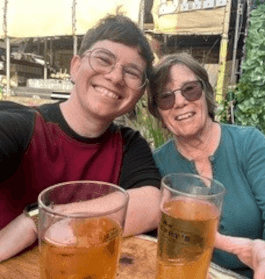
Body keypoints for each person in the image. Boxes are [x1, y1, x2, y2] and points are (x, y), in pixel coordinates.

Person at [0, 14, 162, 262]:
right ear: (75, 67)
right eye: (103, 59)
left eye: (131, 72)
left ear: (139, 93)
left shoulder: (128, 144)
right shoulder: (23, 128)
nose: (116, 77)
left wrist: (37, 220)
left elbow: (150, 205)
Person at [148, 52, 265, 279]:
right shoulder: (156, 164)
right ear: (158, 112)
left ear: (206, 92)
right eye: (166, 97)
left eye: (190, 89)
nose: (180, 102)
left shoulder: (247, 143)